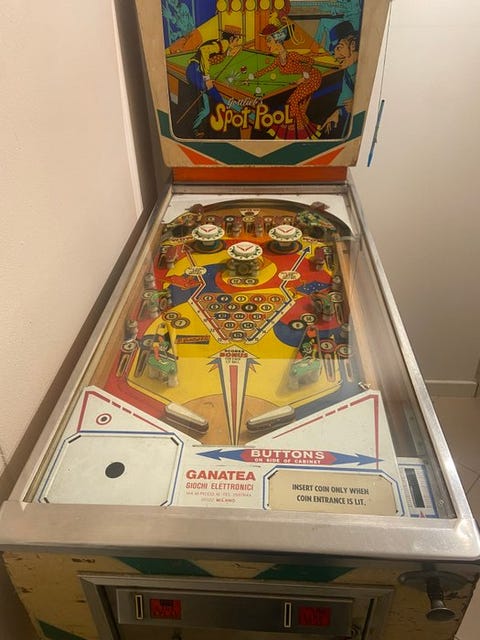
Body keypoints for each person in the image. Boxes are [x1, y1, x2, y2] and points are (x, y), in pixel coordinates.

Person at [254, 23, 322, 140]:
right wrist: (255, 75)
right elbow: (268, 69)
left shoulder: (292, 55)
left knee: (292, 102)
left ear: (278, 42)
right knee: (295, 107)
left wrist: (304, 77)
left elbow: (310, 61)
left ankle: (301, 133)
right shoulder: (277, 60)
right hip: (304, 81)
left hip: (313, 78)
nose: (267, 44)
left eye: (269, 41)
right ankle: (304, 131)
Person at [185, 26, 242, 137]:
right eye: (236, 40)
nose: (237, 43)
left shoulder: (222, 45)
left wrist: (229, 53)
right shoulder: (223, 44)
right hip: (195, 71)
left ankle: (196, 128)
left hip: (195, 71)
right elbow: (204, 50)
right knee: (216, 95)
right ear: (231, 39)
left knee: (206, 109)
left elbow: (215, 55)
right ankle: (231, 116)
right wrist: (206, 77)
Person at [321, 21, 359, 138]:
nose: (336, 56)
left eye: (339, 48)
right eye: (333, 51)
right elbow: (346, 104)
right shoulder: (347, 72)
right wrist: (339, 112)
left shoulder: (368, 66)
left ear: (352, 45)